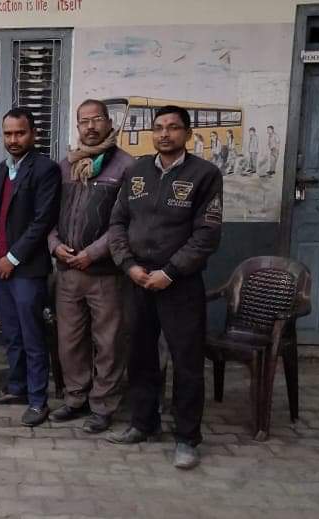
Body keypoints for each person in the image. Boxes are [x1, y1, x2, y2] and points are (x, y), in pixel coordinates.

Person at [106, 105, 223, 470]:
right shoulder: (136, 171)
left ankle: (187, 438)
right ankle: (144, 423)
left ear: (187, 133)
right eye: (158, 128)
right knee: (140, 356)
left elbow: (207, 235)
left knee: (187, 362)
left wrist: (170, 272)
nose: (164, 134)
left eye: (173, 127)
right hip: (138, 279)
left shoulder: (205, 175)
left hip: (179, 284)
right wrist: (129, 265)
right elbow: (117, 223)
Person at [46, 100, 136, 433]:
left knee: (108, 342)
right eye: (84, 121)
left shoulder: (126, 166)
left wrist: (93, 253)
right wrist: (55, 245)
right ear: (78, 127)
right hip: (68, 272)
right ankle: (75, 399)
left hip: (106, 274)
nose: (91, 126)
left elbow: (126, 222)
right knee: (69, 341)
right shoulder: (65, 166)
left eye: (97, 119)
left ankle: (103, 405)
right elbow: (48, 215)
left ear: (109, 123)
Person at [0, 108, 61, 427]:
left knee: (32, 336)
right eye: (8, 134)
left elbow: (43, 221)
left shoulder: (46, 169)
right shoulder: (1, 169)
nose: (13, 139)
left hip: (26, 270)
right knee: (12, 334)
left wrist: (12, 258)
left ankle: (39, 400)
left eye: (20, 133)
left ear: (33, 134)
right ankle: (17, 387)